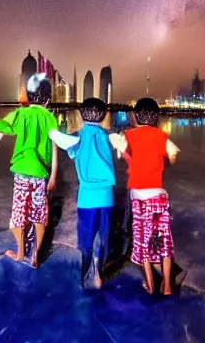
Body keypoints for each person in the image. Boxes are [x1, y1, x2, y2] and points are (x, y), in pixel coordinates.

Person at [109, 98, 179, 295]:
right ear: (156, 116)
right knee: (163, 238)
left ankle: (150, 284)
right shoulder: (161, 135)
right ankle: (166, 284)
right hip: (158, 195)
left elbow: (120, 153)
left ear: (136, 116)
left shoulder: (129, 134)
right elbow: (172, 156)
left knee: (142, 239)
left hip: (139, 196)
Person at [0, 82, 58, 267]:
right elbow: (55, 145)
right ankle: (36, 254)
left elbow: (1, 125)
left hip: (21, 171)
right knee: (39, 213)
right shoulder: (50, 117)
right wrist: (54, 175)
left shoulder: (20, 113)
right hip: (40, 172)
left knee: (19, 212)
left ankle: (20, 253)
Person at [49, 98, 116, 289]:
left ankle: (85, 272)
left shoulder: (77, 137)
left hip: (87, 197)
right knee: (104, 235)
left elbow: (55, 135)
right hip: (107, 196)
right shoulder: (108, 135)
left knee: (86, 235)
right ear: (103, 116)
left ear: (81, 114)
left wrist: (51, 122)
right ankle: (99, 272)